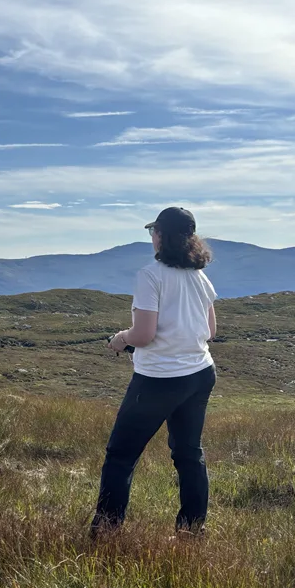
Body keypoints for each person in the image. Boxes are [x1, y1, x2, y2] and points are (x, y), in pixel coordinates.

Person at [91, 206, 218, 538]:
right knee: (189, 453)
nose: (151, 237)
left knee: (120, 456)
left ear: (160, 236)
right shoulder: (199, 276)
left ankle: (106, 531)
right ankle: (192, 530)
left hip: (159, 379)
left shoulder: (150, 275)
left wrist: (121, 339)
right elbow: (210, 330)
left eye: (153, 232)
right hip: (200, 372)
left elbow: (144, 335)